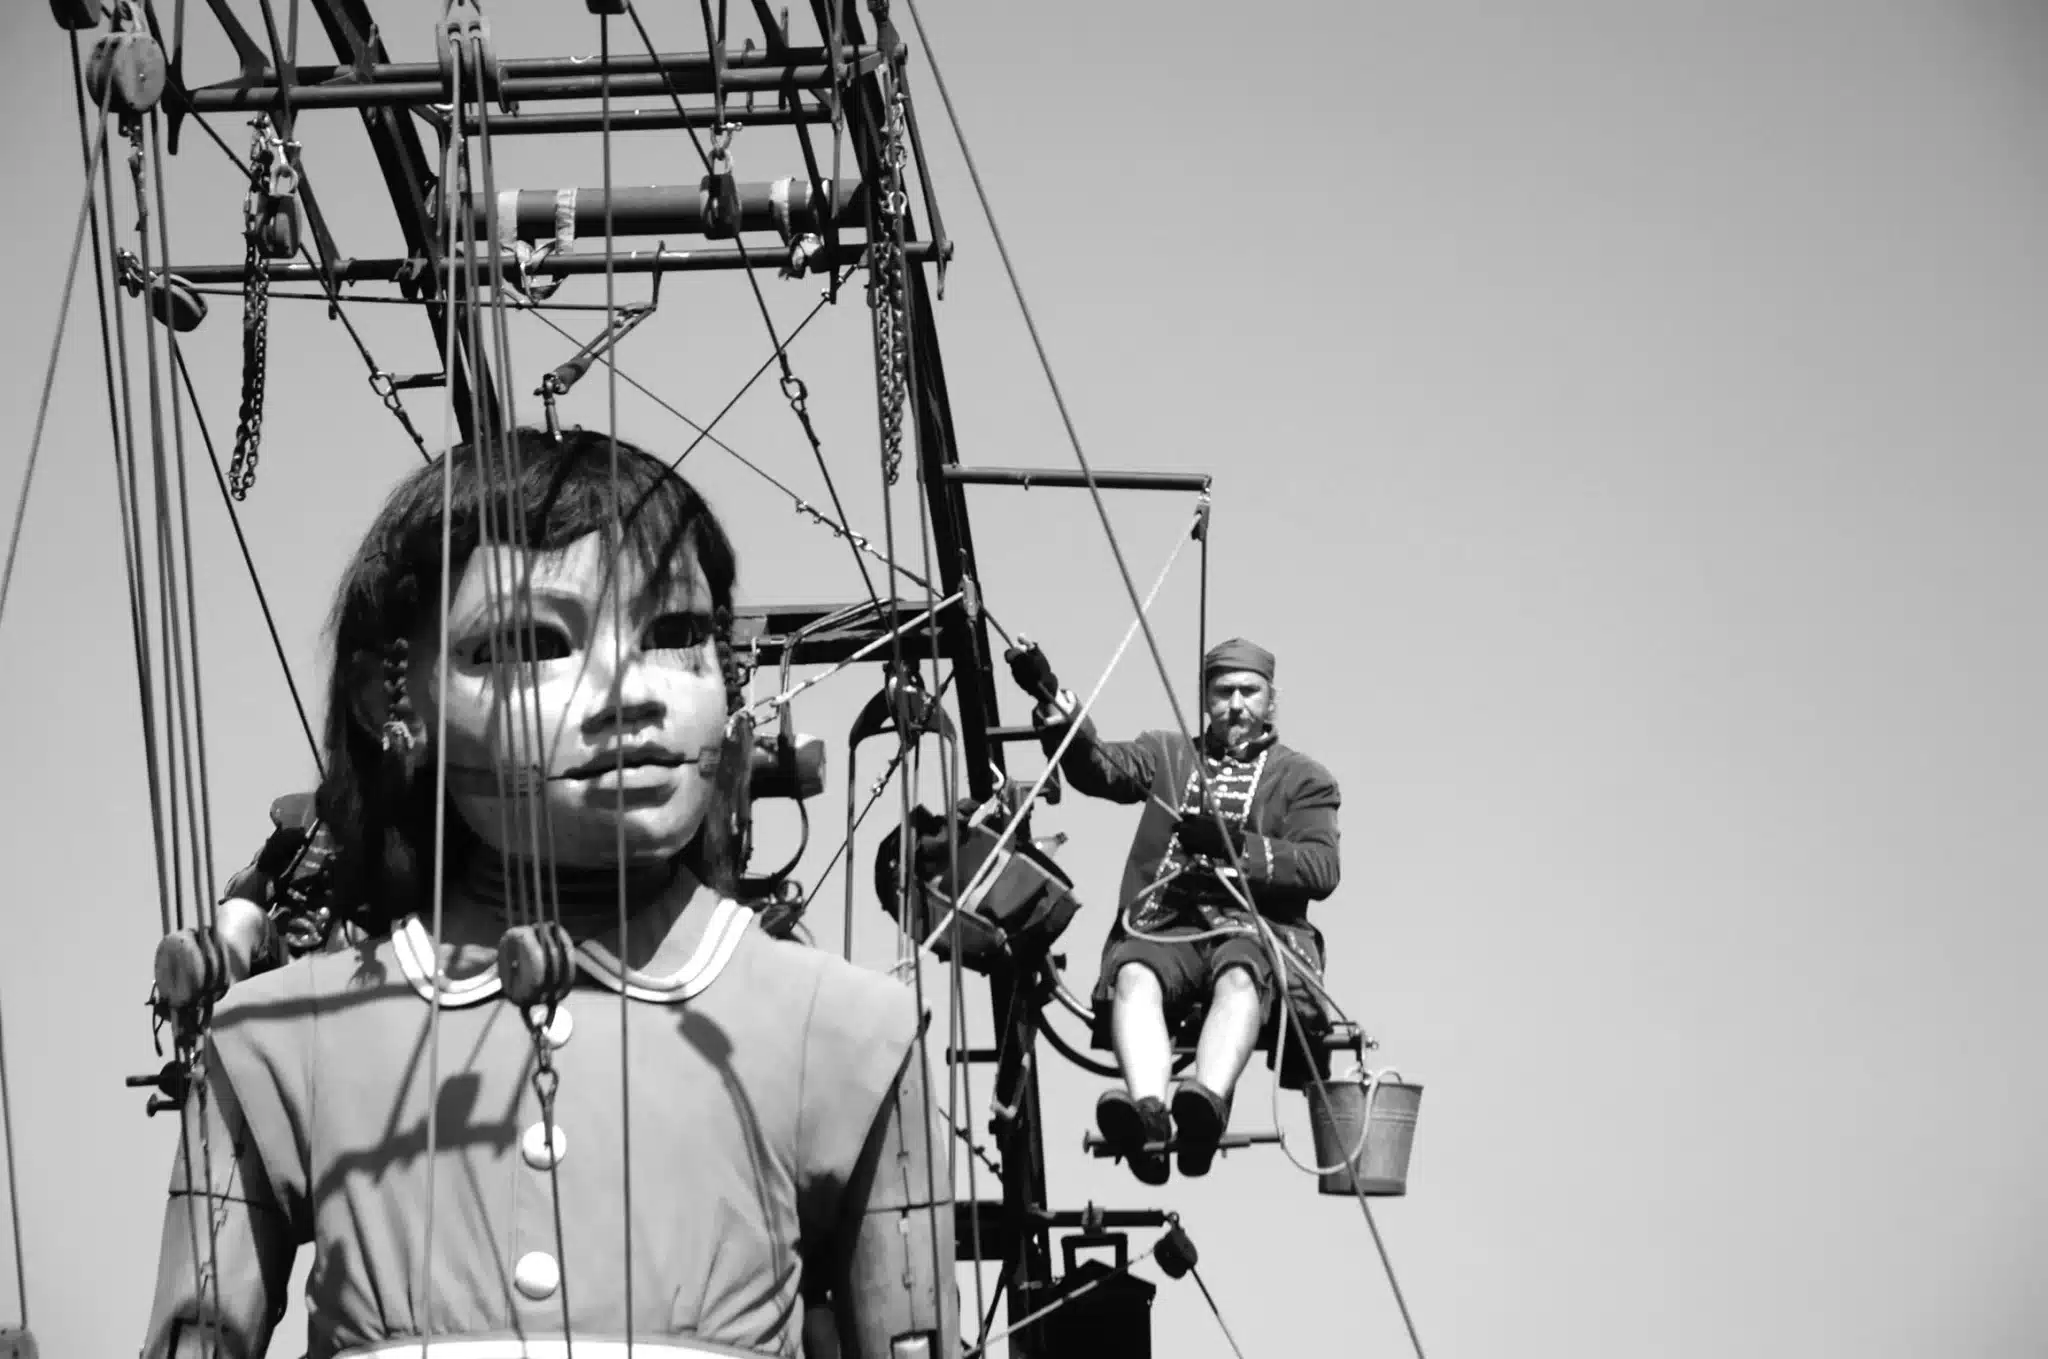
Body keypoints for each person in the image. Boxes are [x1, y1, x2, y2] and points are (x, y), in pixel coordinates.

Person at [142, 428, 957, 1359]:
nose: (631, 693)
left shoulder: (848, 1035)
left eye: (676, 635)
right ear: (389, 699)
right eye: (533, 642)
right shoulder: (279, 1043)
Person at [1020, 638, 1340, 1184]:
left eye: (1249, 692)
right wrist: (1054, 702)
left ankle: (1204, 1108)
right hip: (1166, 926)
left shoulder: (1304, 778)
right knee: (1134, 973)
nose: (1236, 704)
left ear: (1271, 700)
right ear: (1204, 699)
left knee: (1240, 975)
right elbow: (1101, 768)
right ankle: (1148, 1113)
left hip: (1257, 932)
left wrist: (1235, 848)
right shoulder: (1168, 754)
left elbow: (1321, 867)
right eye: (1223, 692)